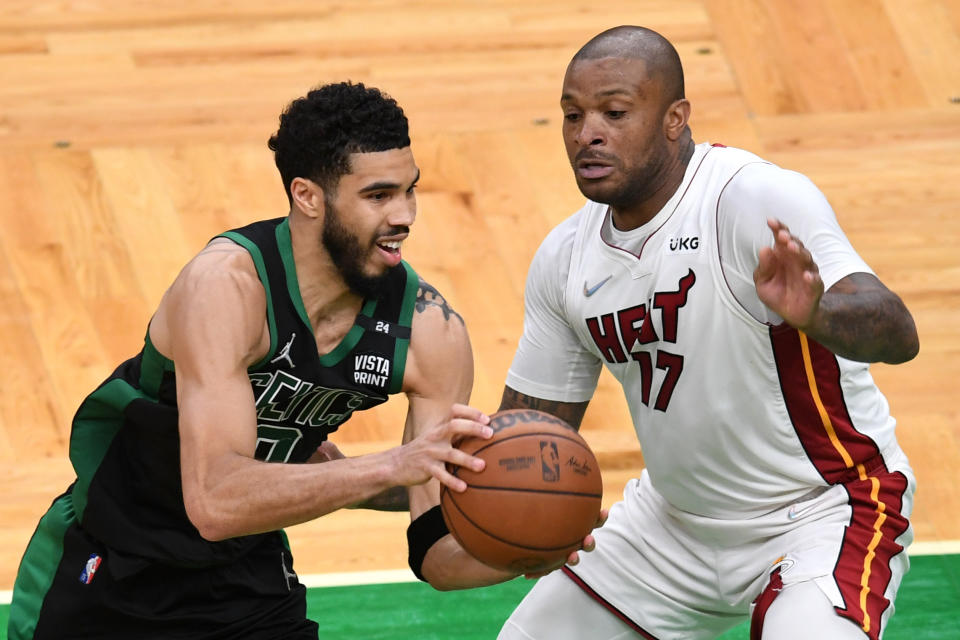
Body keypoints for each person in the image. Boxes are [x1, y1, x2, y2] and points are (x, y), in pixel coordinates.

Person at [7, 81, 498, 639]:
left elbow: (435, 551)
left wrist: (531, 543)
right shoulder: (226, 288)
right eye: (378, 196)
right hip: (110, 562)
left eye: (411, 190)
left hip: (244, 576)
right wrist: (390, 466)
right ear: (307, 196)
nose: (405, 214)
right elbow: (214, 501)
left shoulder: (432, 331)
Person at [494, 26, 920, 640]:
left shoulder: (750, 198)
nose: (587, 133)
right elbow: (526, 438)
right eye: (572, 114)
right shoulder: (564, 257)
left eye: (613, 113)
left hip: (822, 509)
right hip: (670, 528)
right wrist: (411, 477)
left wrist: (816, 314)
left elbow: (899, 333)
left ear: (675, 119)